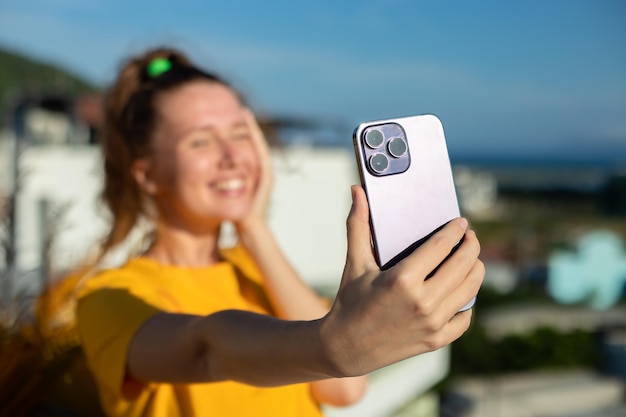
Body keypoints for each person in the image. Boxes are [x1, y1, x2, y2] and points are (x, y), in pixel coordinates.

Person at [75, 46, 485, 417]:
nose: (233, 157)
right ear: (147, 174)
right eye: (201, 142)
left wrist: (253, 228)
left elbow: (344, 387)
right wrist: (330, 345)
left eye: (240, 134)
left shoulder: (255, 268)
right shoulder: (109, 299)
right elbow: (208, 348)